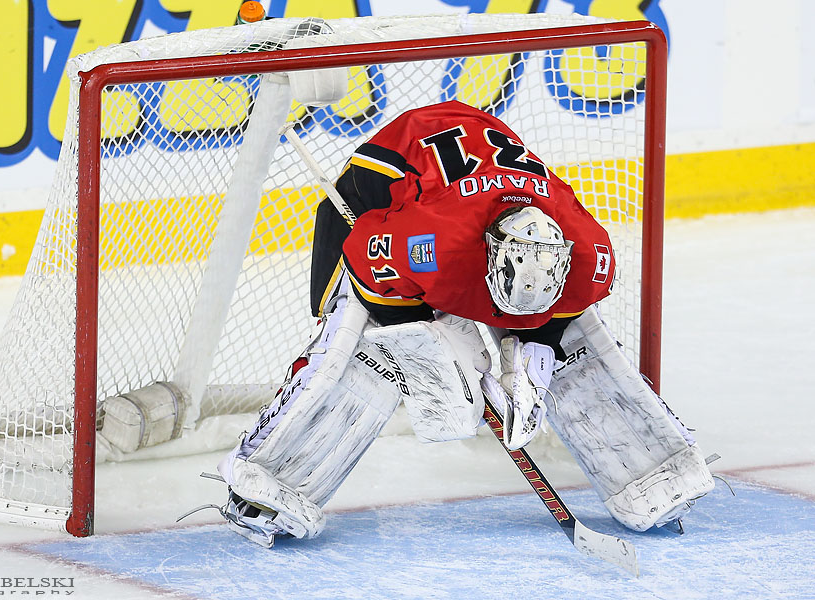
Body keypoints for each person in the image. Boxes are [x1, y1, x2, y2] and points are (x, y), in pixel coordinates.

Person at [213, 100, 714, 547]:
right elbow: (368, 265)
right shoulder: (435, 245)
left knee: (583, 337)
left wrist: (536, 358)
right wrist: (429, 344)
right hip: (378, 194)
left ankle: (656, 472)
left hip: (479, 183)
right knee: (359, 343)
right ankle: (266, 482)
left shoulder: (590, 253)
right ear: (486, 259)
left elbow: (558, 310)